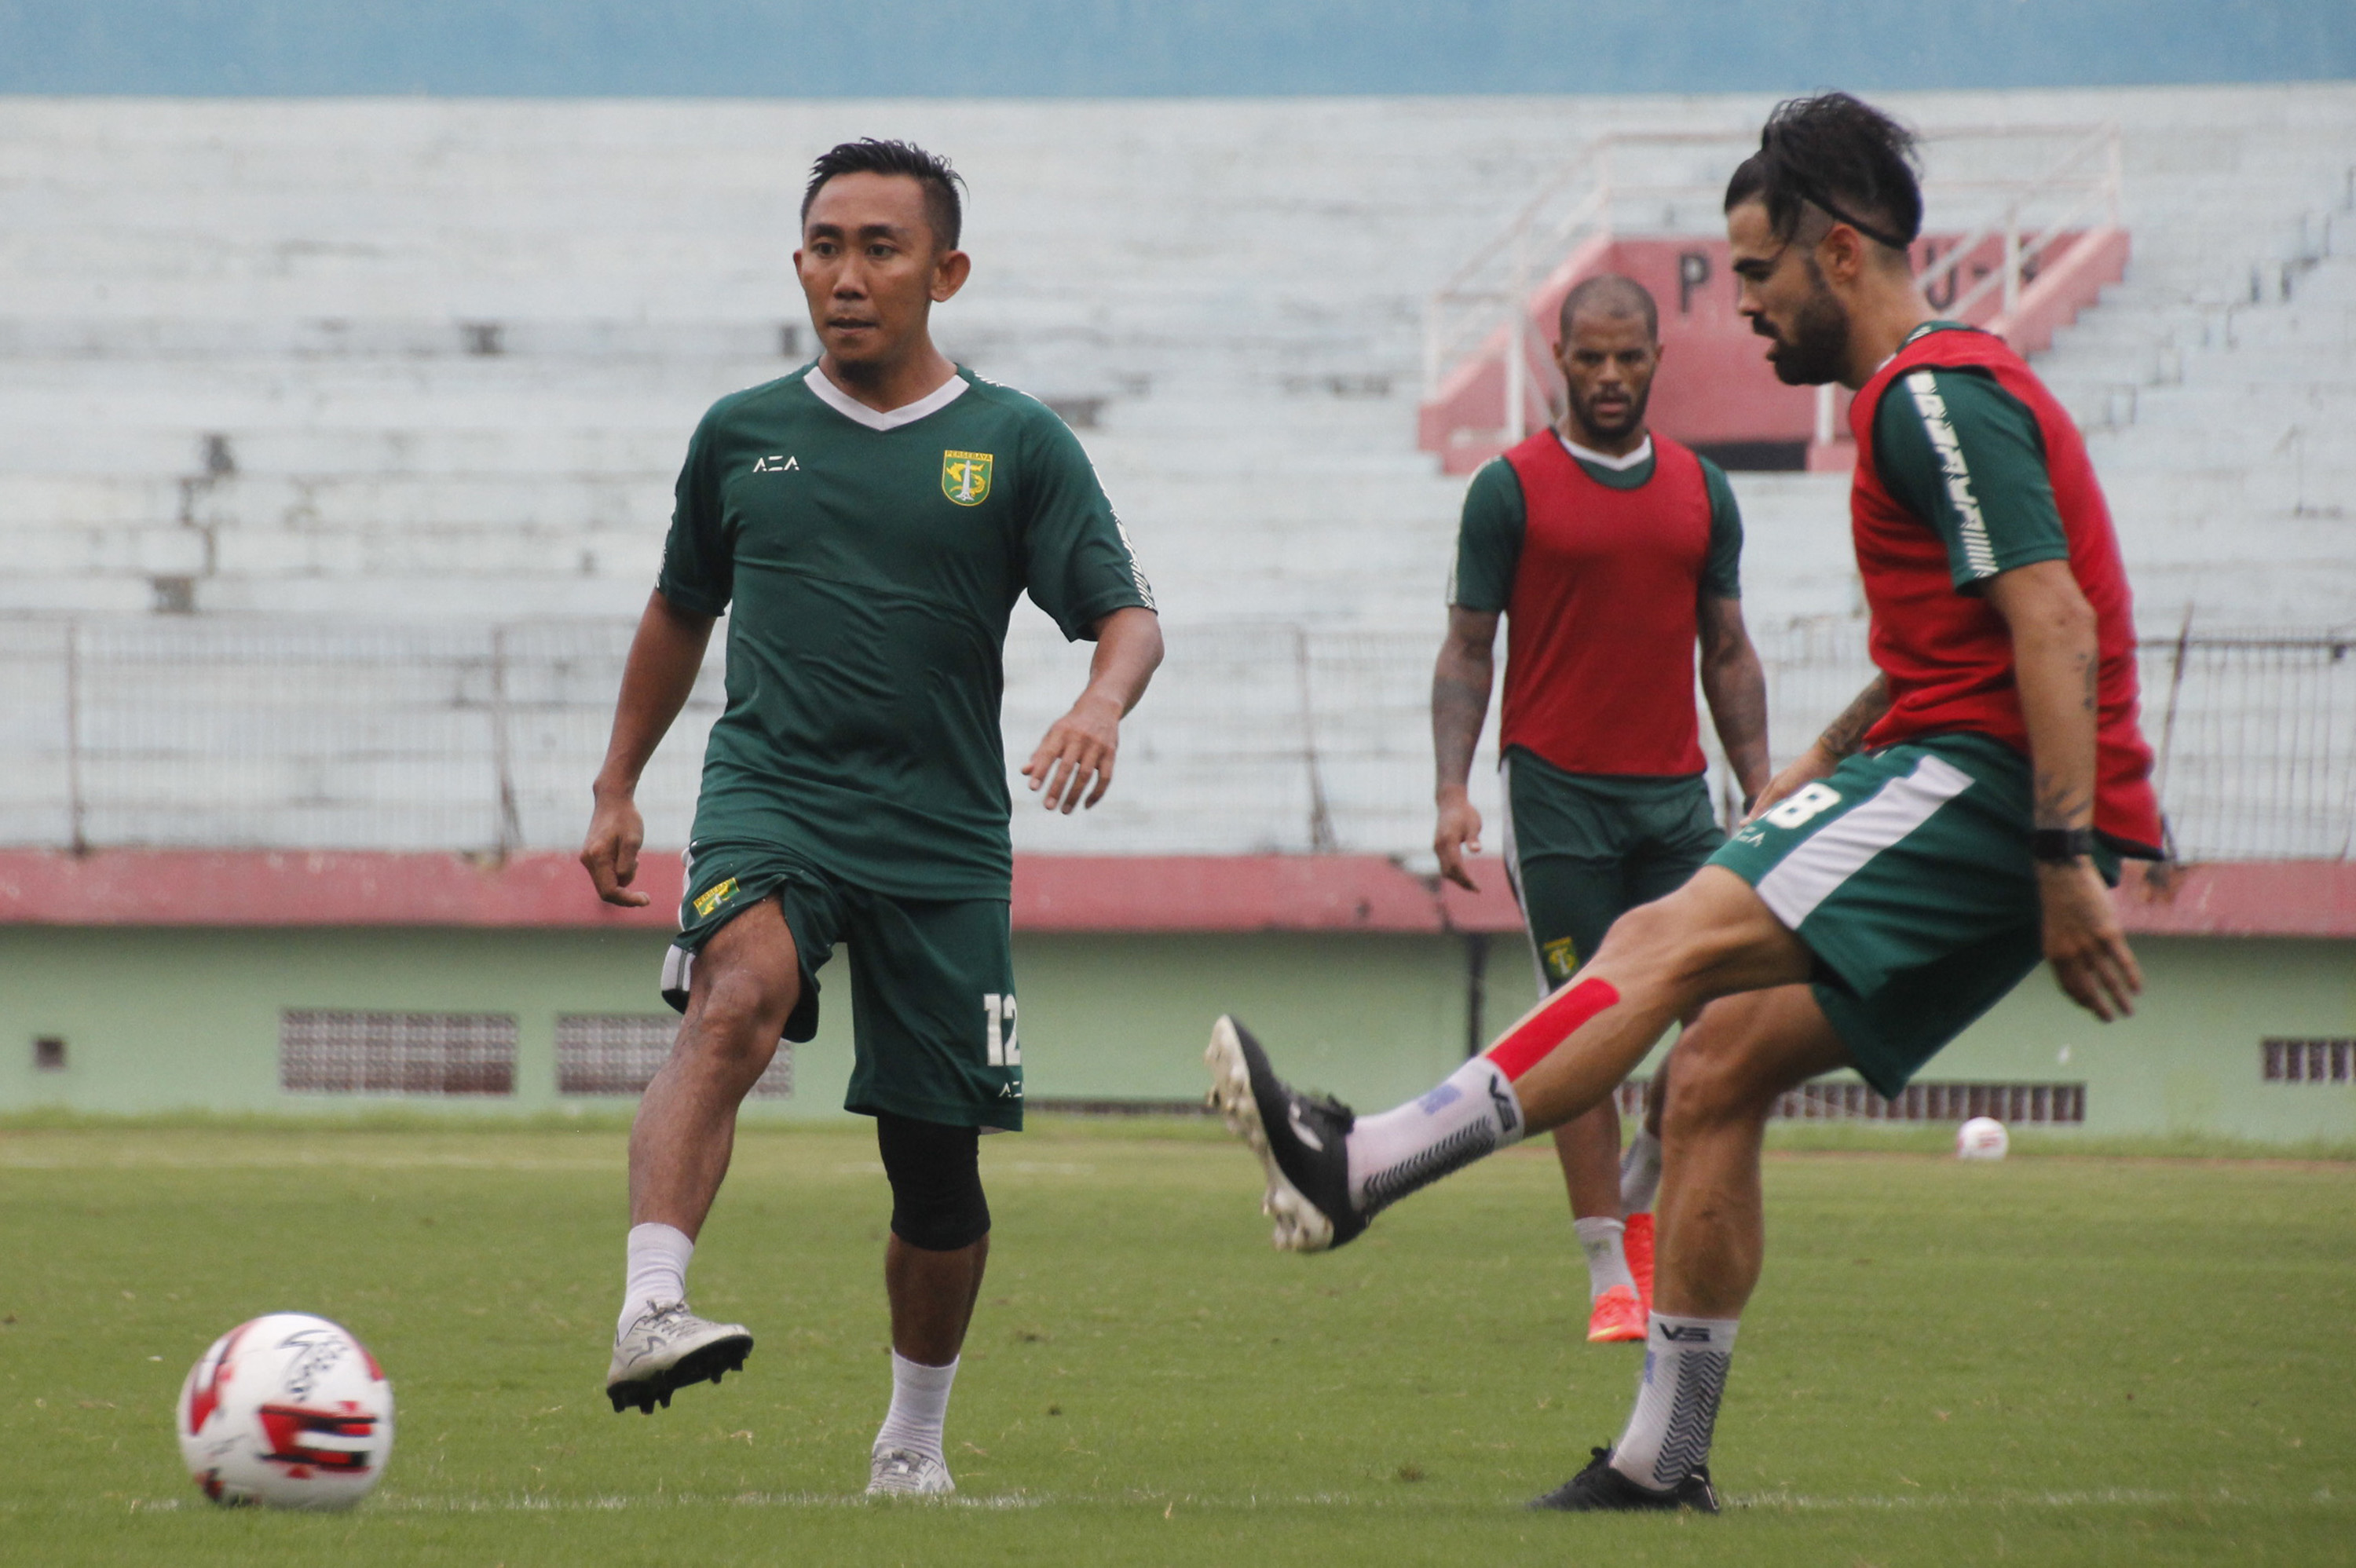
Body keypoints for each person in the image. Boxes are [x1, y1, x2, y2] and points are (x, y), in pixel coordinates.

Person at [1206, 91, 2161, 1512]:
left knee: (1654, 947)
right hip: (1970, 777)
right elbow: (1956, 646)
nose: (1748, 311)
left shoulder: (1930, 395)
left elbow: (2055, 624)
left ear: (1838, 254)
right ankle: (1665, 1458)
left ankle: (1365, 1162)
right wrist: (1824, 758)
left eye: (1757, 274)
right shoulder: (1931, 392)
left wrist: (2061, 854)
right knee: (1714, 1065)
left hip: (1988, 789)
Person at [580, 137, 1162, 1497]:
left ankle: (912, 1443)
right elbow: (680, 608)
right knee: (740, 992)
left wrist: (1100, 705)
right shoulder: (739, 434)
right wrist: (618, 782)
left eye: (881, 249)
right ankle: (651, 1305)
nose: (848, 275)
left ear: (944, 271)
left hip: (943, 840)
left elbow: (1128, 618)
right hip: (771, 793)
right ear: (799, 263)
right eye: (827, 247)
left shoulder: (1015, 443)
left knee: (937, 1173)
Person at [1432, 273, 1769, 1344]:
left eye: (1630, 358)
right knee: (1586, 1020)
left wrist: (1762, 785)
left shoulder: (1704, 492)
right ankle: (1608, 1272)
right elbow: (1469, 648)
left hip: (1676, 800)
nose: (1612, 377)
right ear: (1561, 361)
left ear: (1657, 359)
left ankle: (1647, 1179)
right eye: (1592, 359)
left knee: (1729, 1011)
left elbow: (1727, 646)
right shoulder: (1508, 490)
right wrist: (1450, 789)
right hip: (1555, 795)